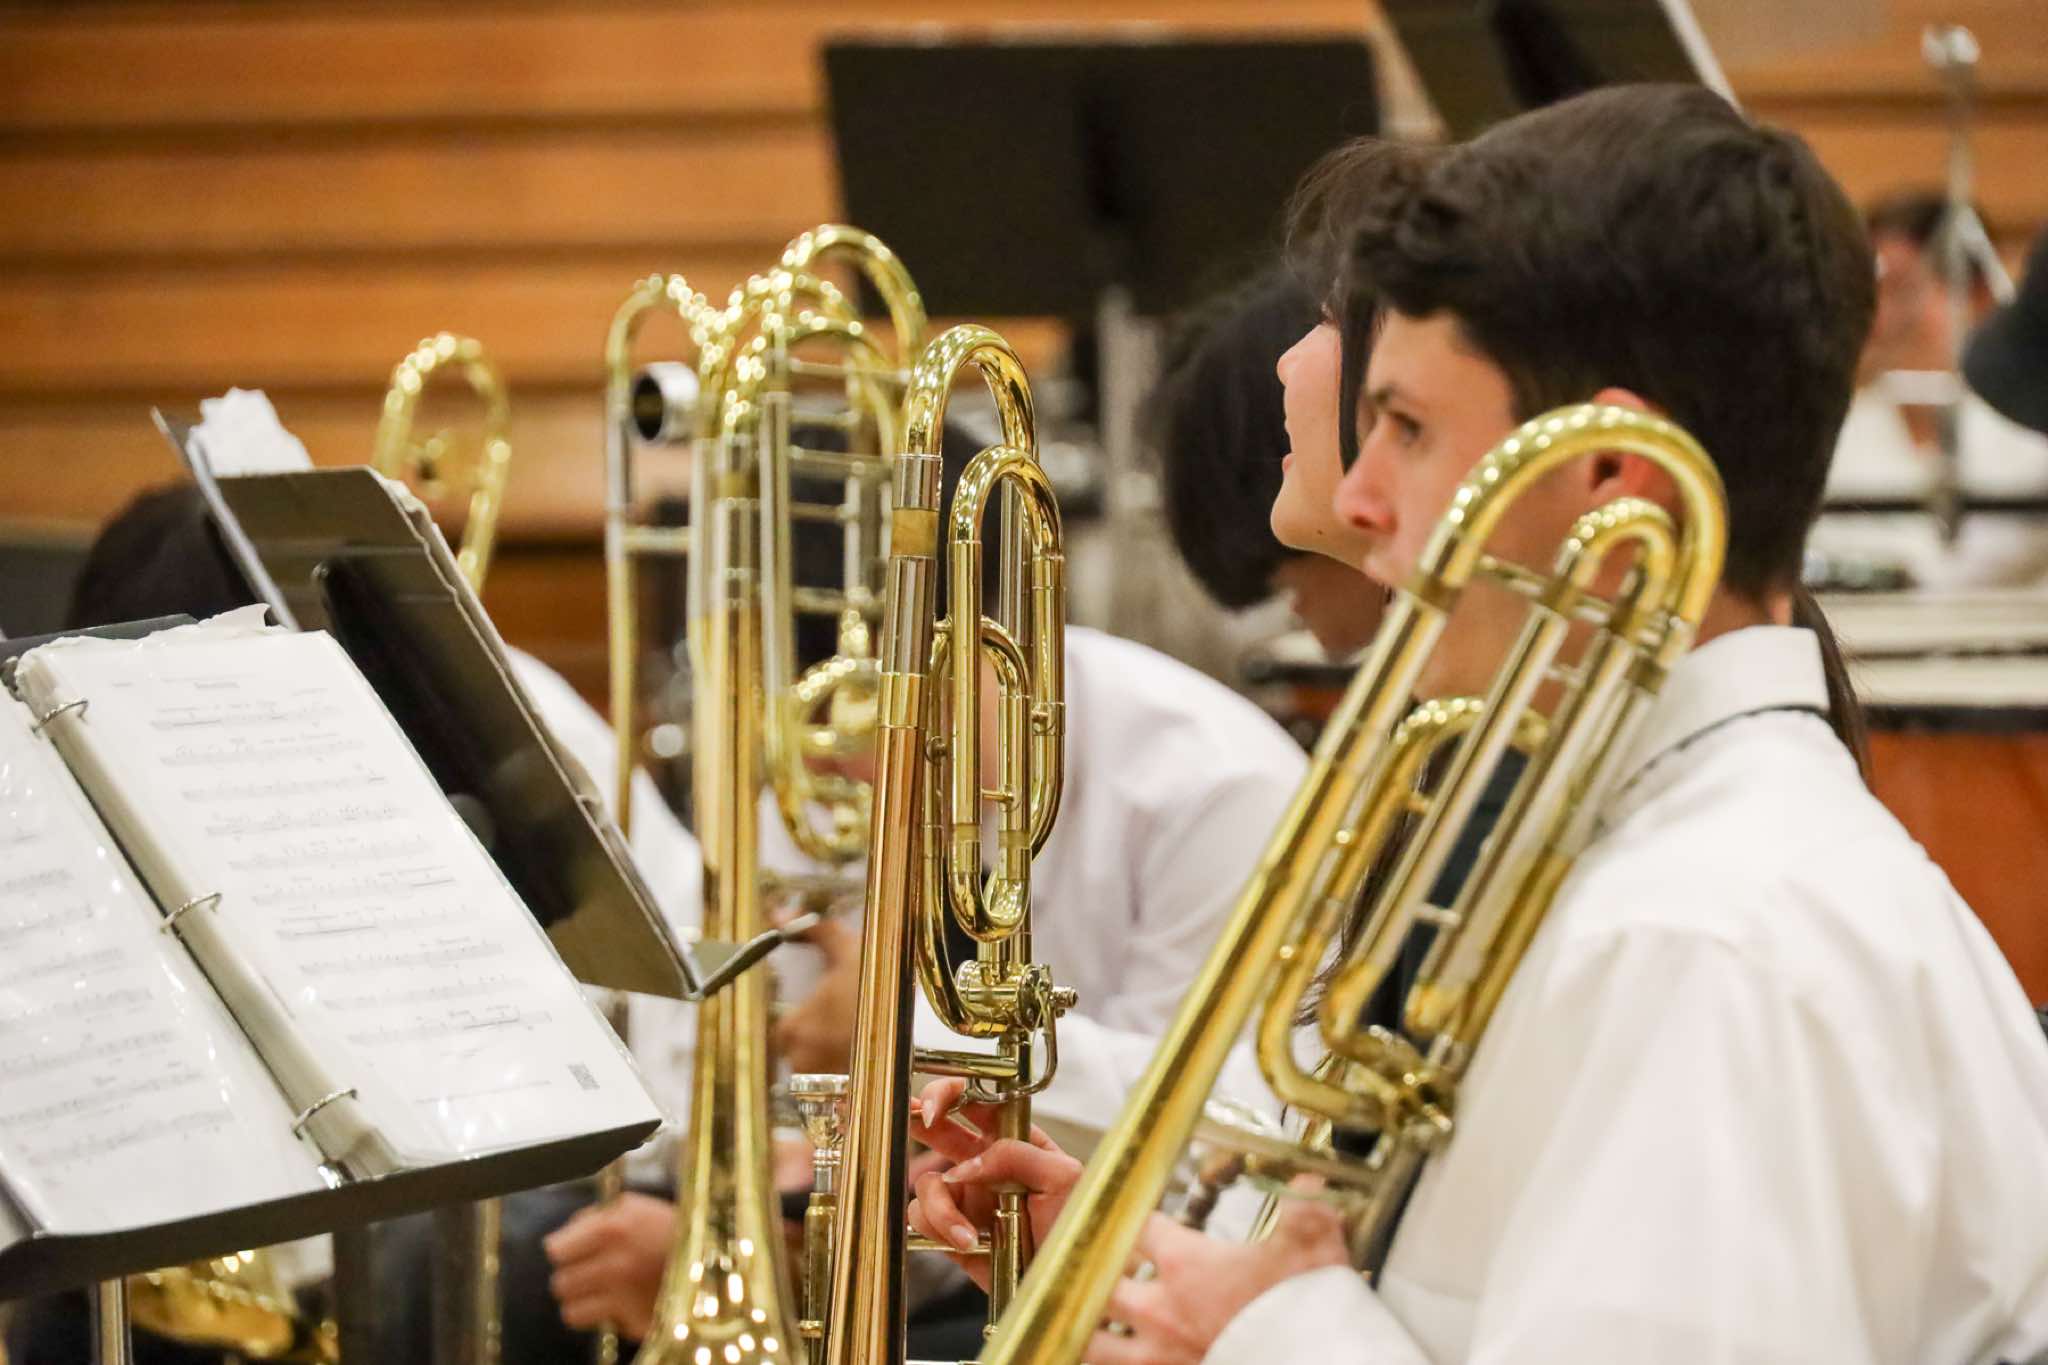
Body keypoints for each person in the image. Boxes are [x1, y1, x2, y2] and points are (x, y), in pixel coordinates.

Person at [910, 84, 2048, 1364]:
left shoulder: (1700, 933)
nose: (1359, 497)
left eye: (1404, 428)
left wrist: (1262, 1328)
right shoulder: (1643, 869)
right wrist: (1150, 1273)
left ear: (1609, 479)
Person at [543, 430, 1313, 1347]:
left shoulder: (1214, 787)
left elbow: (1217, 1138)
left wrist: (912, 1034)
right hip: (911, 1250)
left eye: (866, 720)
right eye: (799, 730)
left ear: (995, 638)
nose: (836, 767)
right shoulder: (814, 770)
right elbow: (733, 1090)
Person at [1810, 188, 2048, 588]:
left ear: (1978, 295)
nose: (1881, 318)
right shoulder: (1831, 441)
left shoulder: (2034, 435)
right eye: (1868, 293)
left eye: (1902, 289)